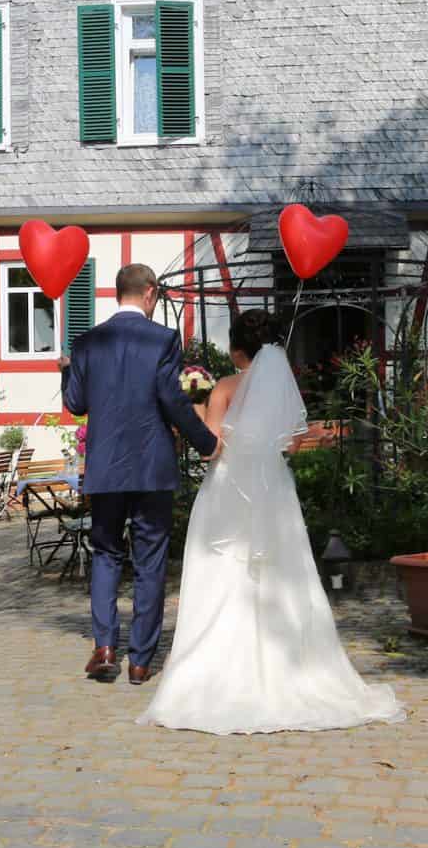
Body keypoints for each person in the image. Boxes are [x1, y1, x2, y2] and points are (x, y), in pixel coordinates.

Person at [138, 310, 406, 734]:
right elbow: (294, 443)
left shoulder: (224, 387)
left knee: (220, 570)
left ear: (235, 348)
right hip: (272, 488)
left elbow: (211, 449)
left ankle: (212, 662)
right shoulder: (280, 387)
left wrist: (193, 407)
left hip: (228, 490)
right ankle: (292, 663)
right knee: (282, 570)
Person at [61, 263, 219, 686]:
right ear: (150, 292)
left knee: (107, 554)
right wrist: (206, 442)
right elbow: (172, 400)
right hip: (152, 466)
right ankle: (140, 662)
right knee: (150, 562)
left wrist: (67, 367)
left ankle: (106, 646)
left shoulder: (87, 342)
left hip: (106, 467)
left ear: (119, 293)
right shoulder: (164, 339)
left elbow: (75, 403)